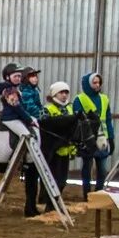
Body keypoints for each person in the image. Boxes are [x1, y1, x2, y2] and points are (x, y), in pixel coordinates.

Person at [0, 64, 42, 217]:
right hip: (10, 118)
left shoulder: (17, 88)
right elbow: (16, 107)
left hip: (16, 117)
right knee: (27, 135)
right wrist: (29, 120)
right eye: (15, 76)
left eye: (20, 76)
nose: (18, 78)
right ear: (8, 77)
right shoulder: (9, 89)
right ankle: (26, 160)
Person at [75, 71, 113, 197]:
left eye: (99, 82)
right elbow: (76, 120)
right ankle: (86, 193)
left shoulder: (104, 98)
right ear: (88, 84)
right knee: (87, 166)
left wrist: (111, 138)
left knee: (102, 168)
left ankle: (99, 191)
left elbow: (108, 119)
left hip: (102, 138)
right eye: (94, 82)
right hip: (88, 139)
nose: (97, 85)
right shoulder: (79, 99)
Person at [43, 81, 75, 210]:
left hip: (65, 150)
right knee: (53, 179)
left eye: (66, 92)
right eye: (61, 92)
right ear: (55, 94)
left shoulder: (69, 108)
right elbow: (44, 127)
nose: (64, 95)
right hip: (52, 151)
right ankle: (50, 205)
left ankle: (54, 203)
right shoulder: (47, 109)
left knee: (62, 180)